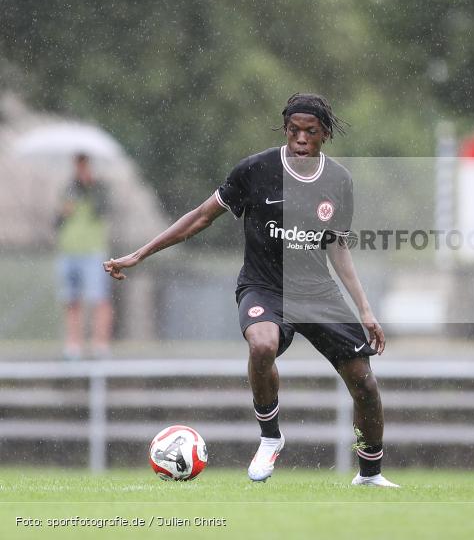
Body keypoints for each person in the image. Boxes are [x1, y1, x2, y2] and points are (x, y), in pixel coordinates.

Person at [104, 93, 398, 487]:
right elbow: (201, 217)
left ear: (324, 134)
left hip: (316, 293)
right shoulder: (255, 170)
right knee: (262, 344)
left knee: (364, 381)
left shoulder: (339, 181)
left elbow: (337, 246)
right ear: (285, 130)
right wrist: (140, 255)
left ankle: (370, 474)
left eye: (309, 132)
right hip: (263, 286)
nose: (300, 139)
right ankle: (270, 436)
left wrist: (364, 308)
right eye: (293, 131)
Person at [57, 153, 113, 360]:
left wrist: (89, 187)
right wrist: (64, 210)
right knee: (71, 299)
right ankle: (73, 345)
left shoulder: (99, 189)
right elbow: (57, 221)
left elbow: (103, 209)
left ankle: (100, 344)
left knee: (99, 298)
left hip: (92, 251)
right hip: (69, 250)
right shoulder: (68, 189)